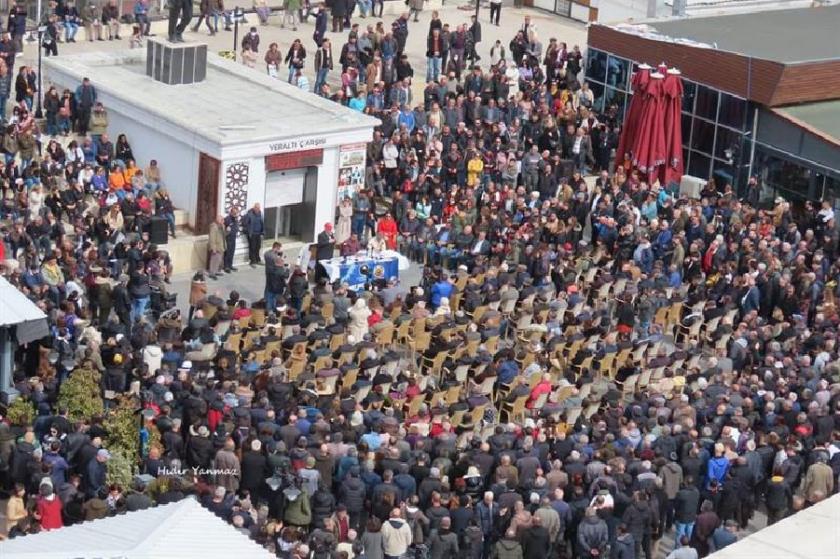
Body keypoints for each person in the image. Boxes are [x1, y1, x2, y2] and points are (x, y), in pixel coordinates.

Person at [242, 203, 264, 267]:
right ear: (254, 208)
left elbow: (261, 223)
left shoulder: (260, 213)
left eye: (259, 208)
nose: (258, 209)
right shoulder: (249, 214)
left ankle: (258, 259)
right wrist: (248, 231)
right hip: (252, 234)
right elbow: (245, 224)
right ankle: (252, 261)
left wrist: (262, 232)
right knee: (252, 247)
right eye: (257, 208)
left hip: (258, 233)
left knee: (258, 247)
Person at [207, 215, 226, 280]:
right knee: (214, 260)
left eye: (223, 220)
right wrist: (213, 248)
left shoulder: (222, 226)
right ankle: (212, 273)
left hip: (221, 246)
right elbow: (212, 238)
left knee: (219, 260)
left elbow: (224, 235)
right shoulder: (214, 227)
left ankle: (217, 271)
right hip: (216, 247)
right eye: (221, 220)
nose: (223, 221)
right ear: (218, 220)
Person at [223, 205, 241, 273]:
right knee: (227, 252)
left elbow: (236, 226)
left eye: (236, 213)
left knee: (232, 252)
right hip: (228, 238)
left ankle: (230, 265)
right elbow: (224, 228)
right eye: (234, 213)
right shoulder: (227, 219)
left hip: (233, 238)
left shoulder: (235, 219)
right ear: (231, 212)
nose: (235, 214)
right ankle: (226, 266)